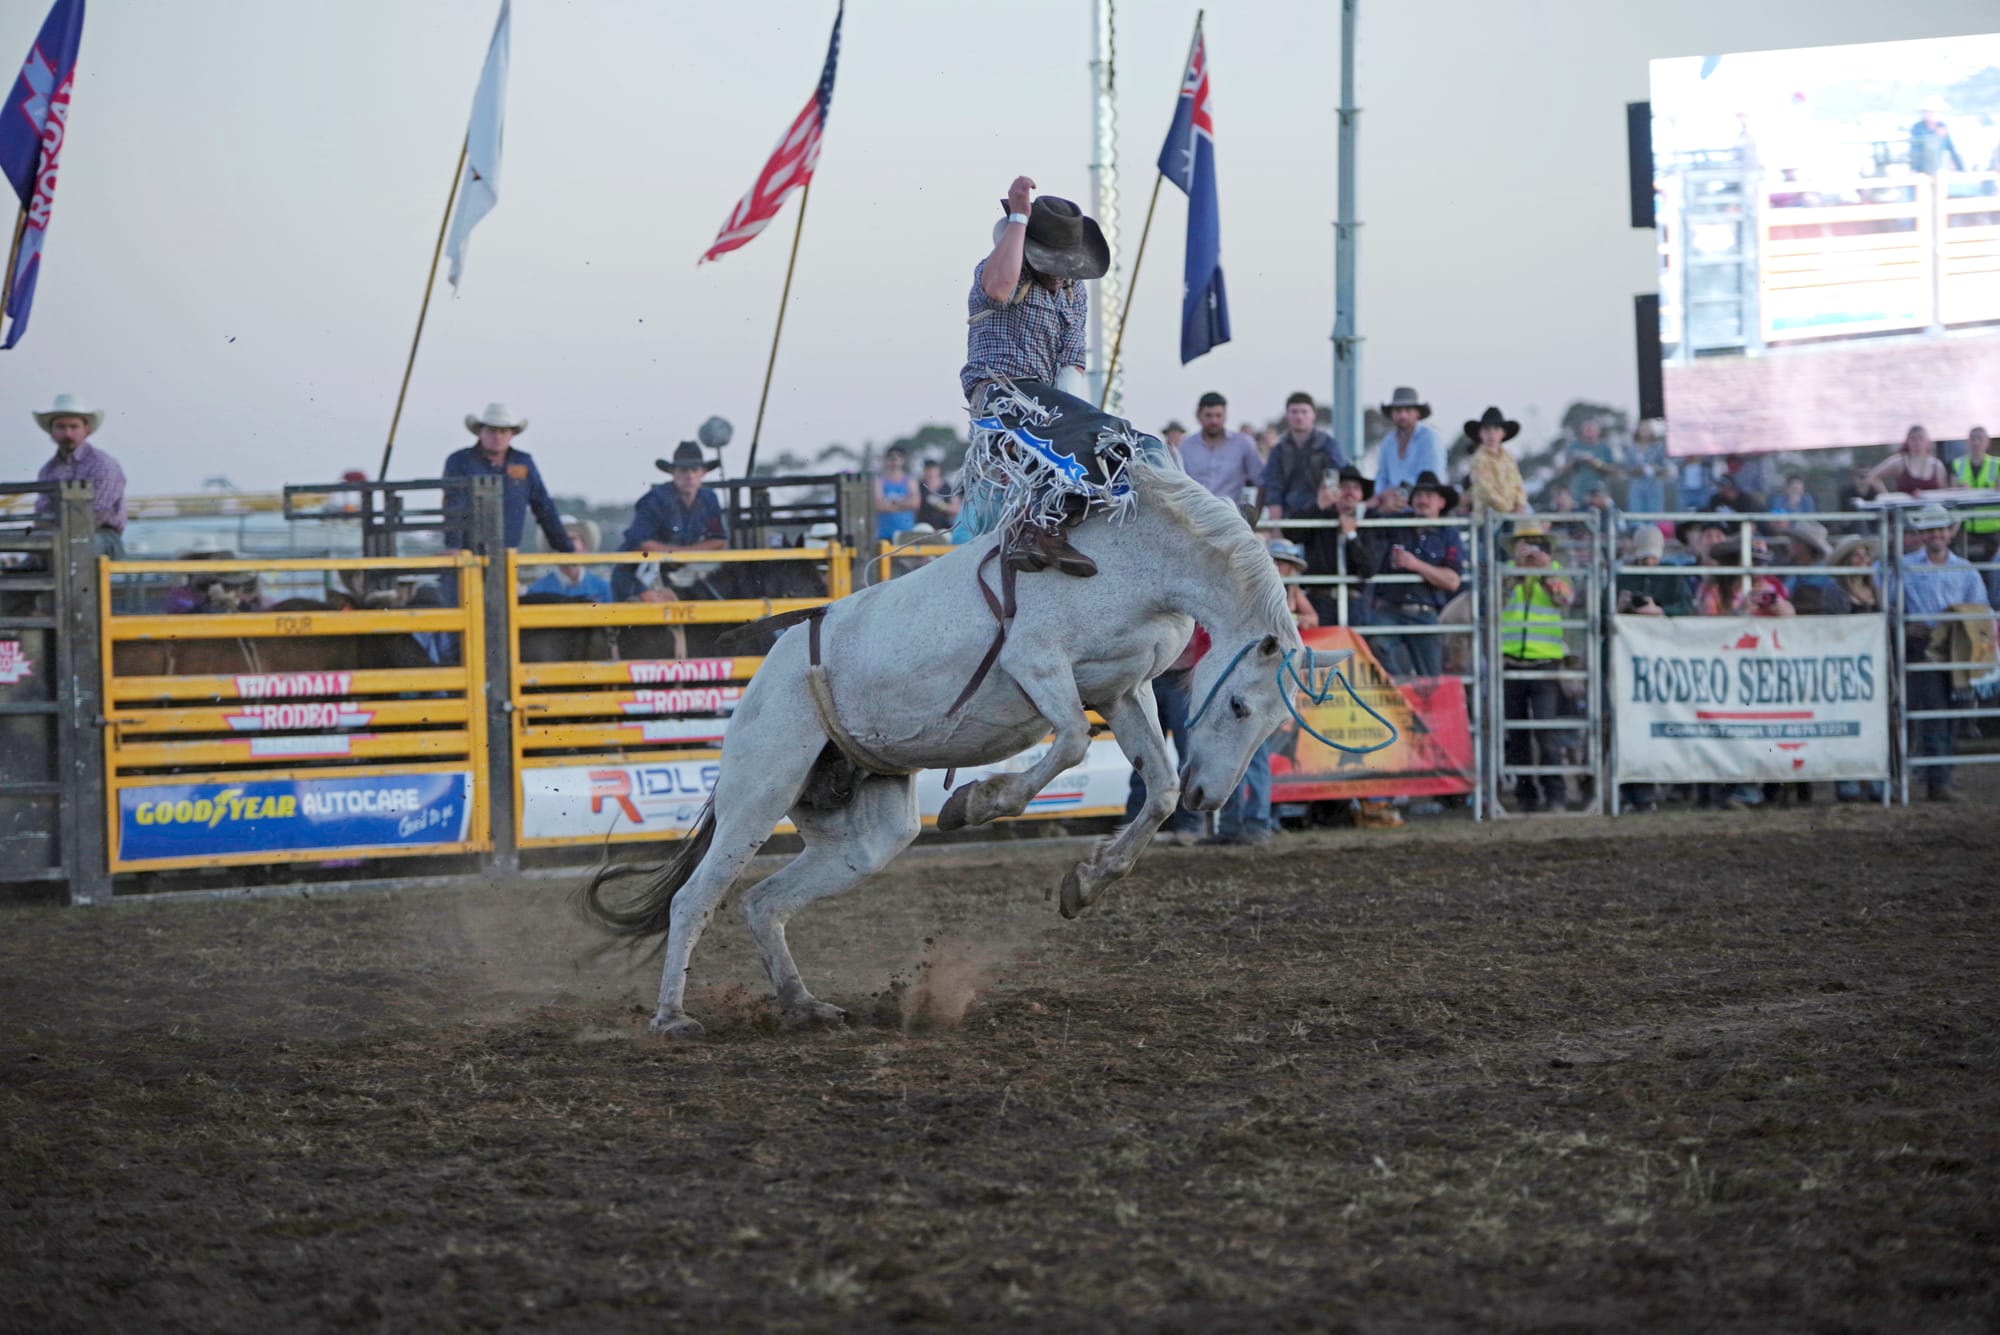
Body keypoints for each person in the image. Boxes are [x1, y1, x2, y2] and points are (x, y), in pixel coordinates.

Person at [959, 180, 1157, 579]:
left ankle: (1061, 522)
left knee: (1126, 443)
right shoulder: (996, 271)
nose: (1058, 275)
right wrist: (1019, 216)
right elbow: (999, 289)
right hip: (1001, 394)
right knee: (1085, 438)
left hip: (1048, 402)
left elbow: (1072, 362)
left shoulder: (1073, 292)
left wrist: (1081, 418)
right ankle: (1038, 528)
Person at [1204, 543, 1304, 847]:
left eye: (1285, 563)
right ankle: (1241, 824)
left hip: (1253, 686)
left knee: (1252, 756)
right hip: (1245, 684)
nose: (1279, 568)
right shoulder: (1268, 597)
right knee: (1243, 755)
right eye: (1277, 562)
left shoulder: (1265, 598)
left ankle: (1253, 823)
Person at [1900, 503, 1996, 801]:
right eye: (1930, 530)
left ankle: (1940, 776)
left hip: (1957, 644)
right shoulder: (1905, 566)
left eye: (1940, 529)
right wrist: (1904, 624)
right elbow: (1884, 589)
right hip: (1923, 643)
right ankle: (1937, 781)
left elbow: (1980, 611)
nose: (1936, 535)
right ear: (1922, 535)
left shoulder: (1965, 571)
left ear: (1949, 533)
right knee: (1934, 710)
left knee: (1950, 711)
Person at [1499, 523, 1574, 813]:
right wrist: (1517, 572)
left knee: (1546, 733)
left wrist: (1545, 571)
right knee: (1516, 735)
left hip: (1546, 663)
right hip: (1510, 662)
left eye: (1535, 543)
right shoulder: (1506, 572)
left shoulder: (1556, 571)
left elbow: (1565, 599)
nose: (1529, 549)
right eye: (1524, 543)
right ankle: (1525, 796)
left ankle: (1556, 795)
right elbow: (1493, 602)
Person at [442, 403, 574, 557]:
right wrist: (454, 546)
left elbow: (544, 507)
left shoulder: (523, 462)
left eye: (503, 431)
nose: (497, 436)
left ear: (512, 434)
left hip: (507, 555)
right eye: (492, 430)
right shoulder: (460, 461)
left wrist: (566, 548)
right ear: (480, 432)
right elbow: (453, 505)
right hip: (468, 556)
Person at [1370, 472, 1463, 679]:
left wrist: (1416, 565)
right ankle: (1400, 692)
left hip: (1425, 612)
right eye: (1418, 495)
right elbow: (1368, 534)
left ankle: (1411, 697)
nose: (1422, 500)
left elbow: (1452, 581)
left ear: (1441, 502)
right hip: (1390, 608)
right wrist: (1378, 506)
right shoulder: (1393, 522)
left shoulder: (1448, 534)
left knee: (1431, 678)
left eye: (1428, 495)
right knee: (1373, 642)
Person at [615, 440, 729, 603]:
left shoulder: (709, 499)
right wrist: (680, 555)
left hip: (672, 575)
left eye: (694, 469)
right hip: (636, 576)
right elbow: (641, 542)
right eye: (683, 470)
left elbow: (718, 540)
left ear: (702, 473)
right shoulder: (655, 499)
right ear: (673, 472)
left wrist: (682, 555)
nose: (689, 475)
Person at [31, 393, 126, 558]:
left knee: (75, 547)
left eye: (74, 427)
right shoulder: (48, 470)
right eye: (61, 427)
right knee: (32, 550)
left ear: (86, 431)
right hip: (62, 538)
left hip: (103, 537)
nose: (68, 433)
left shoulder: (103, 465)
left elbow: (98, 513)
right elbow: (43, 513)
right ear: (52, 432)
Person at [1291, 464, 1377, 626]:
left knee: (1355, 650)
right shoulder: (1318, 515)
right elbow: (1292, 534)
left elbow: (1369, 569)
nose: (1350, 493)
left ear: (1361, 495)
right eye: (1344, 487)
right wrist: (1318, 506)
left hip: (1353, 603)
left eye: (1356, 488)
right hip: (1319, 601)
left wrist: (1351, 535)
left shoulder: (1369, 522)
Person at [1261, 392, 1346, 521]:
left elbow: (1337, 477)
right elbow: (1273, 487)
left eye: (1304, 411)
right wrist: (1276, 523)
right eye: (1294, 412)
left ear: (1313, 415)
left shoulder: (1328, 445)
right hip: (1290, 516)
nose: (1299, 417)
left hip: (1323, 513)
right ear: (1287, 416)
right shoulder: (1279, 450)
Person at [1180, 391, 1263, 505]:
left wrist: (1256, 514)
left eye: (1218, 415)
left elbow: (1262, 480)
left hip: (1231, 515)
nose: (1214, 421)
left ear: (1225, 416)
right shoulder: (1186, 447)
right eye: (1208, 415)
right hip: (1195, 516)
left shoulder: (1243, 443)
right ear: (1199, 415)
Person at [1948, 426, 2000, 606]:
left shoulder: (1997, 464)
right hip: (1966, 532)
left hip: (1993, 532)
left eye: (1980, 438)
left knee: (1993, 577)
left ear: (1988, 442)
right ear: (1967, 442)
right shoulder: (1958, 464)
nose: (1976, 443)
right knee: (1968, 575)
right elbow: (1951, 495)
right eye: (1973, 438)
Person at [1694, 537, 1794, 617]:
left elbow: (1790, 621)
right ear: (1734, 561)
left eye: (1762, 562)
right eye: (1754, 561)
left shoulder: (1772, 585)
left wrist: (1786, 612)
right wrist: (1739, 612)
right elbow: (1707, 627)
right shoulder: (1713, 588)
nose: (1759, 567)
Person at [1373, 387, 1444, 495]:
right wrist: (1381, 497)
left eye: (1408, 410)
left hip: (1421, 502)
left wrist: (1399, 494)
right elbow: (1381, 477)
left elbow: (1430, 478)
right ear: (1392, 414)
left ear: (1418, 413)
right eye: (1398, 410)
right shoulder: (1387, 442)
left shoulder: (1430, 438)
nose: (1403, 415)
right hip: (1390, 505)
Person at [525, 518, 613, 602]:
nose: (567, 546)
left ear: (584, 545)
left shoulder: (604, 589)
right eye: (561, 541)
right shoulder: (536, 590)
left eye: (572, 539)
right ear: (552, 549)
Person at [1464, 406, 1528, 519]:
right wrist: (1508, 507)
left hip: (1512, 515)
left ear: (1503, 433)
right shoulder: (1478, 459)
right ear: (1480, 433)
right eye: (1487, 430)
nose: (1491, 434)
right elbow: (1485, 490)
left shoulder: (1509, 458)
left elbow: (1518, 484)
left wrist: (1520, 503)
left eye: (1496, 429)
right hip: (1488, 517)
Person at [1861, 425, 1948, 497]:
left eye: (1920, 438)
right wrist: (1888, 498)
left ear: (1927, 441)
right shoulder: (1899, 462)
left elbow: (1943, 493)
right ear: (1908, 442)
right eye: (1913, 439)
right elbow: (1872, 476)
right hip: (1905, 512)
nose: (1917, 443)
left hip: (1933, 513)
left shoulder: (1937, 466)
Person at [873, 445, 920, 545]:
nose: (894, 461)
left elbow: (915, 504)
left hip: (906, 534)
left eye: (898, 457)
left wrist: (890, 503)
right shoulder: (879, 482)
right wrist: (904, 503)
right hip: (885, 535)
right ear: (886, 460)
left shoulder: (910, 481)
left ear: (903, 460)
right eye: (890, 457)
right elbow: (878, 505)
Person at [1910, 96, 1965, 176]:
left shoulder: (1942, 127)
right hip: (1921, 172)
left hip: (1938, 171)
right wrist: (1914, 169)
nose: (1934, 115)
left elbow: (1952, 149)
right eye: (1930, 112)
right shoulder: (1918, 128)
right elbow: (1915, 151)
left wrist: (1961, 169)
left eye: (1939, 112)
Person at [1624, 420, 1670, 516]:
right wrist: (1638, 470)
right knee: (1636, 516)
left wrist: (1654, 469)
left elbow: (1666, 469)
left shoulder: (1659, 448)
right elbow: (1626, 469)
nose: (1644, 432)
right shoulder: (1631, 449)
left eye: (1647, 429)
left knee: (1655, 517)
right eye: (1642, 430)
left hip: (1654, 486)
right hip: (1636, 486)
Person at [914, 458, 961, 532]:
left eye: (933, 469)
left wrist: (941, 505)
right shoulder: (918, 487)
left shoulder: (948, 488)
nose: (930, 473)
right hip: (922, 527)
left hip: (943, 528)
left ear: (938, 470)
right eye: (928, 470)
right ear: (924, 471)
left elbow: (956, 509)